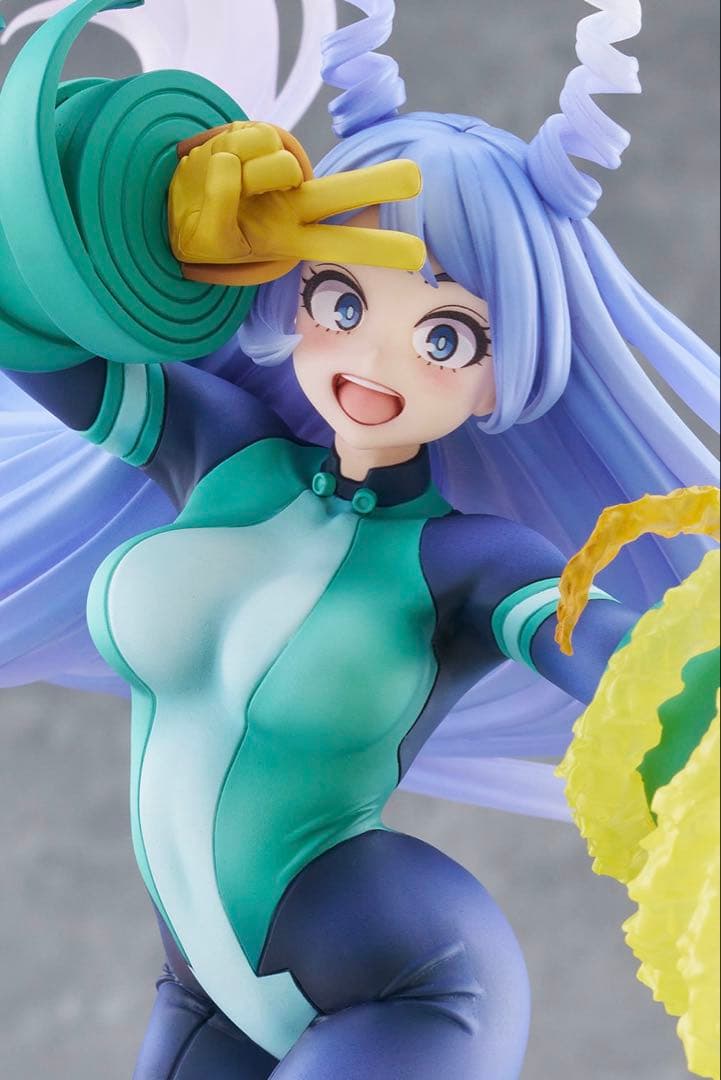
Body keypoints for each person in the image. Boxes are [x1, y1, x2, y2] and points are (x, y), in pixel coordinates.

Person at [0, 0, 718, 1076]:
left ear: (501, 375)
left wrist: (694, 701)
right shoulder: (222, 452)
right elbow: (26, 320)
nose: (373, 361)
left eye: (444, 334)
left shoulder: (470, 565)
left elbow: (614, 655)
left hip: (411, 987)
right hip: (204, 987)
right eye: (341, 300)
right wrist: (156, 222)